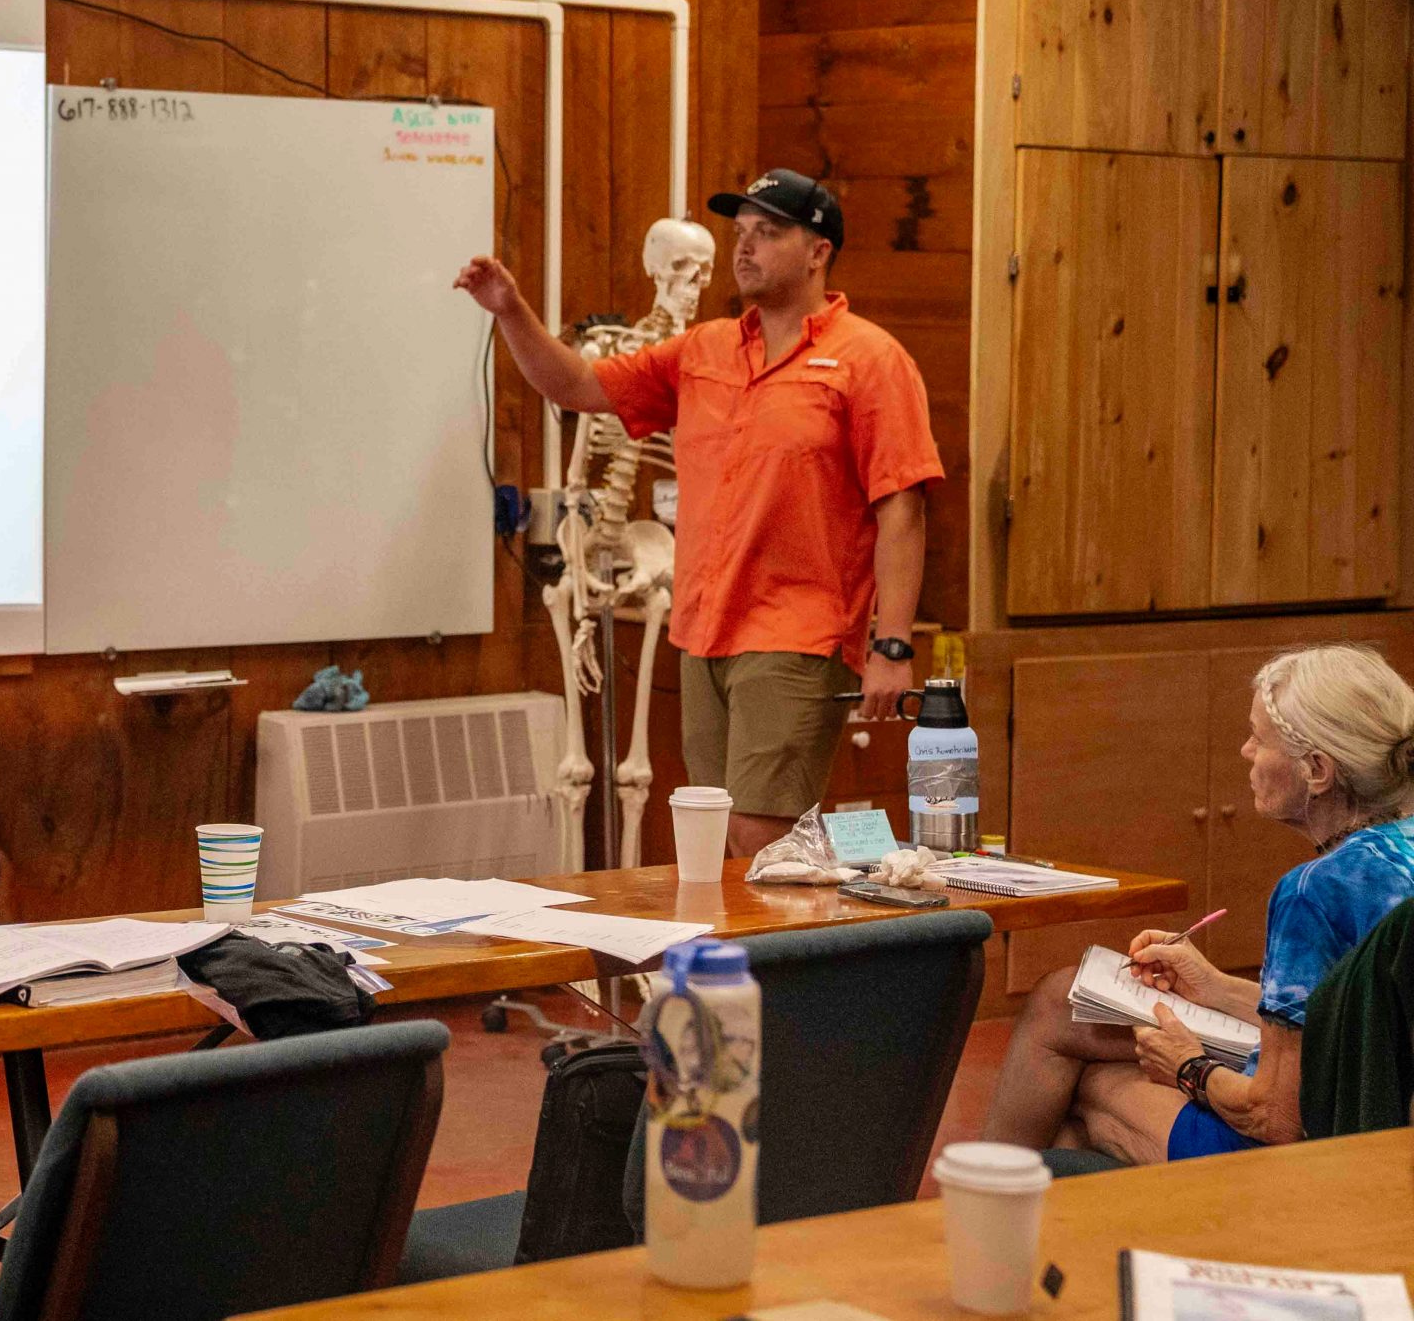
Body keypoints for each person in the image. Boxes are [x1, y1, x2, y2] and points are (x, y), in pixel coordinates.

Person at [455, 169, 943, 857]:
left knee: (760, 837)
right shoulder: (705, 349)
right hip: (703, 630)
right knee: (712, 837)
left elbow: (903, 505)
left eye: (768, 233)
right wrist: (511, 310)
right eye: (741, 233)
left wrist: (892, 646)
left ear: (818, 250)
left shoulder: (868, 358)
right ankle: (733, 966)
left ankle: (788, 962)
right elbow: (576, 382)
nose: (745, 248)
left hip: (797, 632)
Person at [981, 643, 1414, 1163]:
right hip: (1379, 1110)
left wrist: (1188, 1067)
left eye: (1259, 738)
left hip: (1314, 1150)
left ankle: (981, 1213)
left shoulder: (1314, 891)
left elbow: (1275, 1116)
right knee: (1062, 1006)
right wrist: (1215, 989)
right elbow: (1346, 1014)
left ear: (1317, 770)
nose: (1246, 752)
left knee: (1085, 1087)